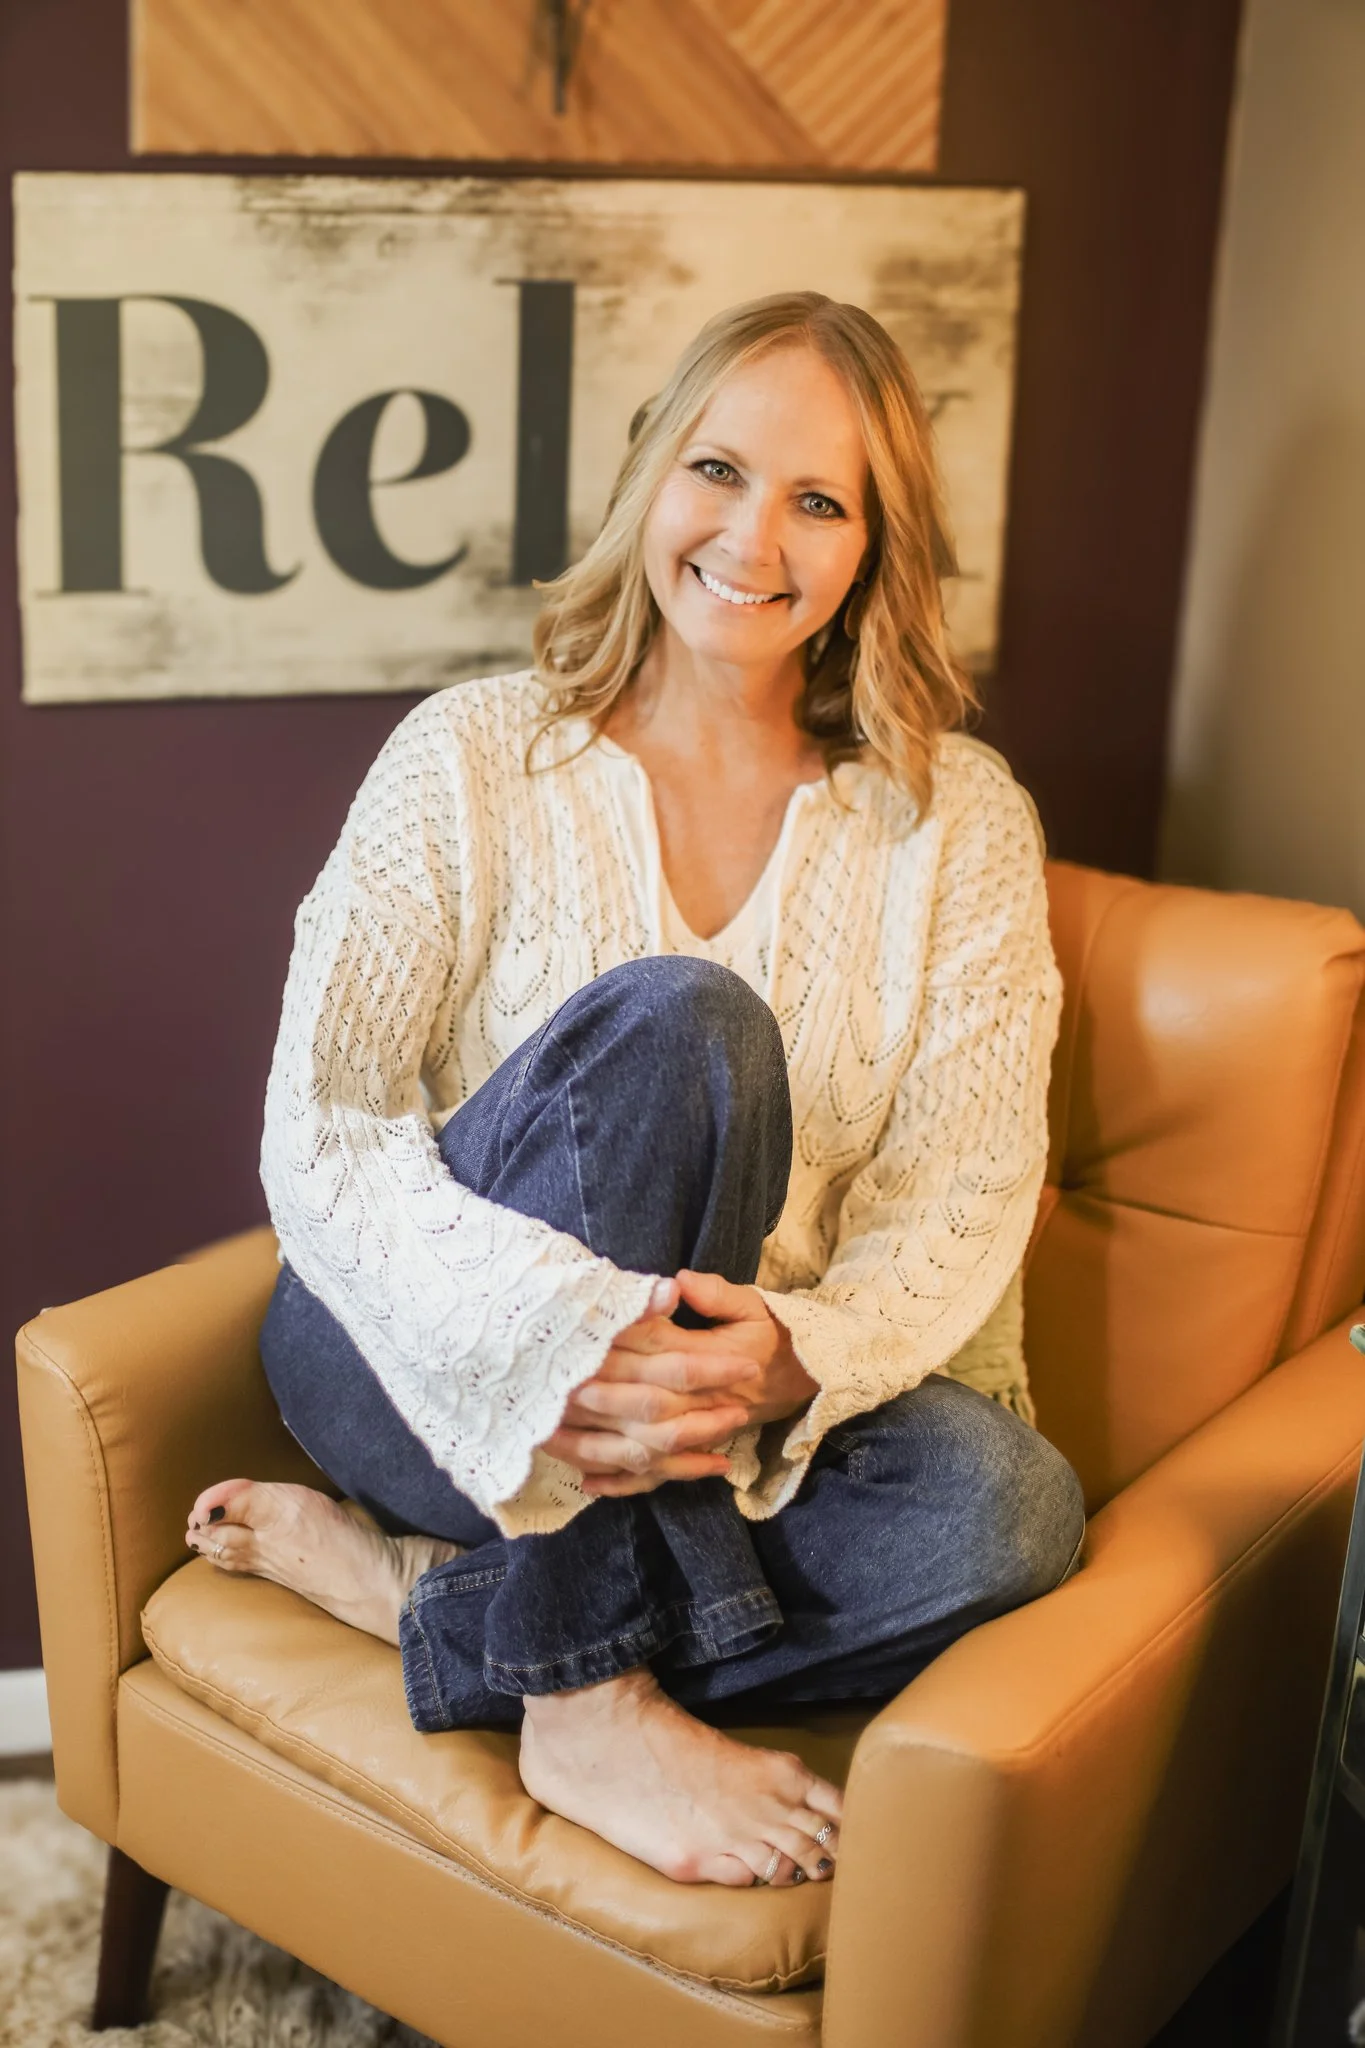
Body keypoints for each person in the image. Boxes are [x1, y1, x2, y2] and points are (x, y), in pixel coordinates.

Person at [184, 290, 1084, 1895]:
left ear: (875, 549)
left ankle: (426, 1608)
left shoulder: (960, 831)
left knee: (1005, 1515)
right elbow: (322, 1128)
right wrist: (547, 1325)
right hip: (408, 1354)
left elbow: (962, 1184)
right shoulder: (471, 756)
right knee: (689, 1026)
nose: (755, 535)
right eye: (720, 471)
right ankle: (589, 1702)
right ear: (651, 476)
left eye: (820, 501)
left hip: (708, 1424)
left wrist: (797, 1355)